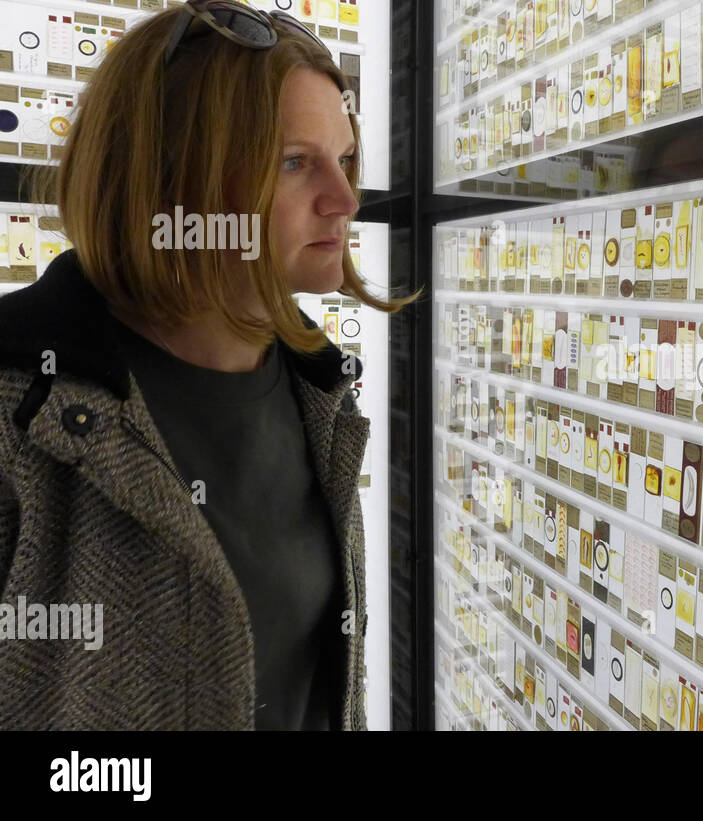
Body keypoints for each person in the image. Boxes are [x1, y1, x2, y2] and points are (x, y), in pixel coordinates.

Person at [0, 1, 414, 730]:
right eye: (294, 163)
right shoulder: (19, 405)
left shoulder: (319, 389)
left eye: (344, 158)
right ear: (169, 176)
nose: (344, 200)